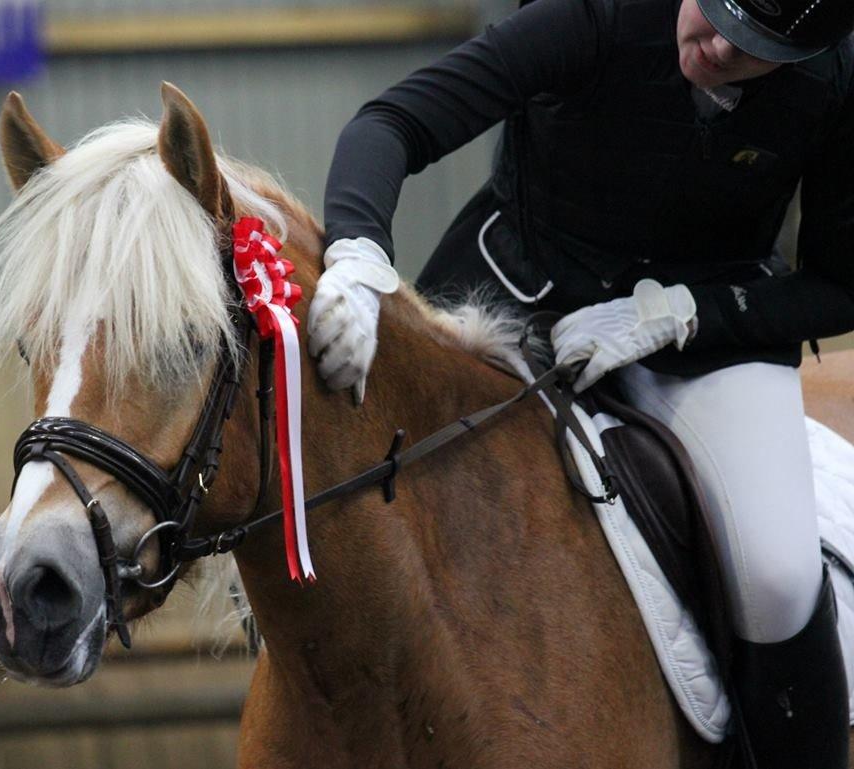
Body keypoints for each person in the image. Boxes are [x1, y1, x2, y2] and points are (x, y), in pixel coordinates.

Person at [306, 0, 854, 766]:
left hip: (703, 326)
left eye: (753, 46)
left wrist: (680, 314)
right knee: (358, 488)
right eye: (714, 14)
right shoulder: (596, 13)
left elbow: (838, 284)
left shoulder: (832, 78)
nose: (717, 46)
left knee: (780, 573)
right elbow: (392, 122)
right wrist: (358, 252)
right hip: (517, 292)